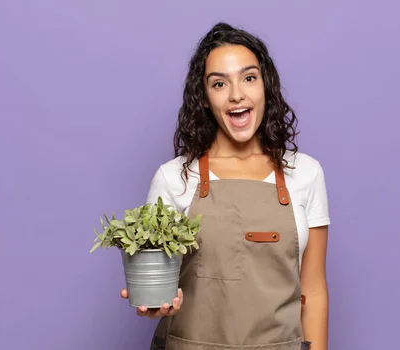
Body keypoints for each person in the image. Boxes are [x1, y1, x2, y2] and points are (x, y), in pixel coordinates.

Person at [120, 22, 330, 349]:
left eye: (249, 78)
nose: (236, 94)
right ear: (204, 98)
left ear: (265, 86)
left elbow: (313, 290)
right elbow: (156, 283)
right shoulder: (173, 178)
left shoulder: (304, 173)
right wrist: (153, 302)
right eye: (219, 83)